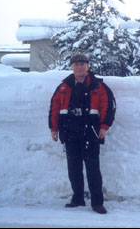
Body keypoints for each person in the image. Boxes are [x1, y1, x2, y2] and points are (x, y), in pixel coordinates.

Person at [49, 54, 116, 214]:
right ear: (71, 66)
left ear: (88, 66)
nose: (79, 67)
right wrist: (54, 129)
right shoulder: (63, 87)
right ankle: (78, 198)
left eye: (82, 64)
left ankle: (97, 203)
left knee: (93, 169)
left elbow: (109, 107)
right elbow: (54, 109)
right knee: (74, 169)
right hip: (70, 133)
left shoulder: (98, 86)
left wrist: (104, 126)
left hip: (90, 133)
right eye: (76, 64)